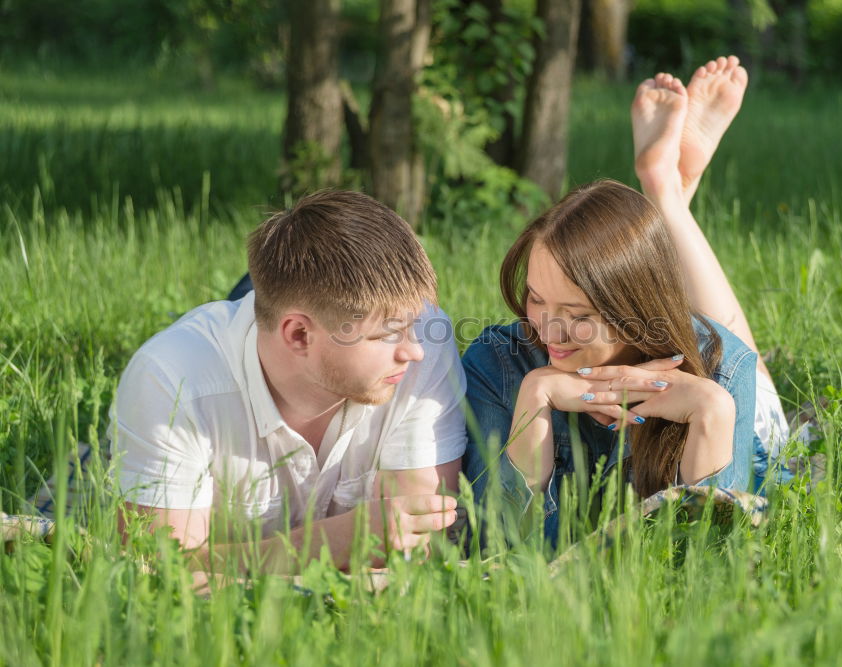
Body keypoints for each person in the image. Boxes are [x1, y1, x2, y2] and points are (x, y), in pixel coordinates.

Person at [461, 57, 790, 543]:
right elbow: (496, 550)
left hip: (746, 416)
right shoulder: (497, 364)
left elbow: (708, 557)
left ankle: (664, 189)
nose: (547, 331)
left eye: (576, 315)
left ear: (634, 312)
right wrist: (536, 397)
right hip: (662, 323)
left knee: (730, 349)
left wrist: (713, 411)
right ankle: (663, 191)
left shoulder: (724, 372)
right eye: (535, 297)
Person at [110, 190, 465, 571]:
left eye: (412, 324)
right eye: (386, 334)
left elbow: (414, 547)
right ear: (298, 334)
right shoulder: (171, 380)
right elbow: (158, 565)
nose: (415, 351)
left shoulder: (425, 334)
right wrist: (332, 543)